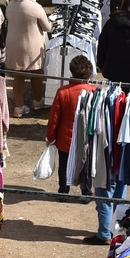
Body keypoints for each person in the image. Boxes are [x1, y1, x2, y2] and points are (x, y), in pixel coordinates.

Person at [46, 55, 96, 194]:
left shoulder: (63, 92)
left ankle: (63, 190)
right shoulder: (94, 91)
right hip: (87, 137)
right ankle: (86, 190)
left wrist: (50, 137)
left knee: (64, 165)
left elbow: (54, 118)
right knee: (86, 163)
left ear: (72, 72)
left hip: (65, 137)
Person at [4, 0, 52, 117]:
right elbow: (47, 27)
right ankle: (37, 101)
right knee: (36, 72)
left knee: (19, 74)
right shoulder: (35, 7)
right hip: (32, 44)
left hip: (13, 43)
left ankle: (18, 107)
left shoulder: (11, 4)